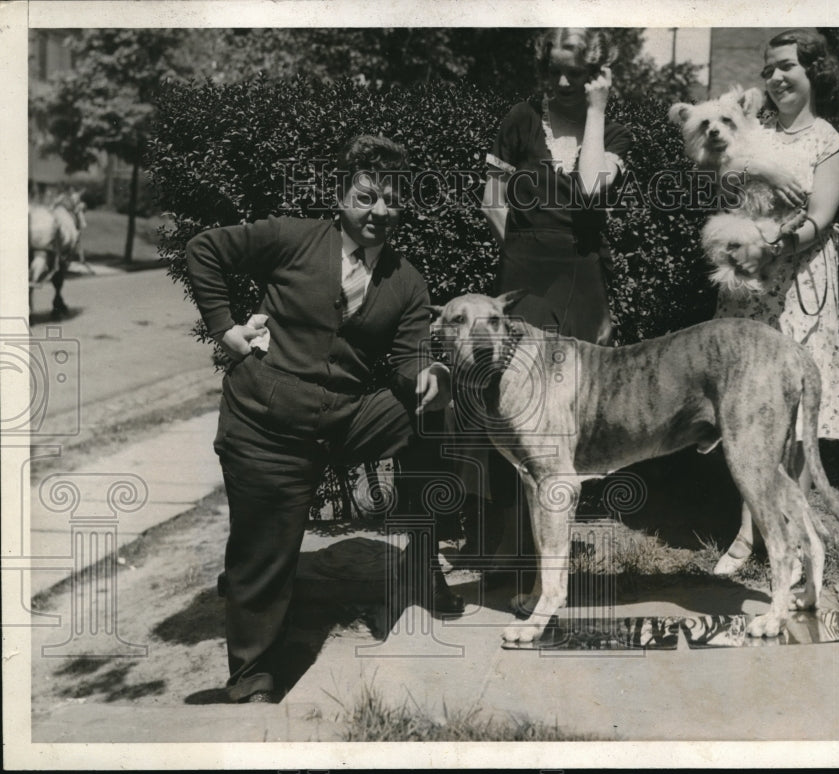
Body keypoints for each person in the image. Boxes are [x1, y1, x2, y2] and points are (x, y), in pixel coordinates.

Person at [186, 135, 464, 704]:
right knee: (262, 560)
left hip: (344, 420)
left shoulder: (406, 280)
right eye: (366, 197)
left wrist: (429, 376)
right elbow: (204, 249)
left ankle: (421, 559)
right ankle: (254, 676)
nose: (379, 211)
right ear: (340, 196)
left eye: (392, 201)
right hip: (265, 426)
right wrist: (224, 328)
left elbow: (409, 357)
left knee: (437, 414)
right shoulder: (293, 237)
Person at [465, 28, 632, 582]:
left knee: (568, 418)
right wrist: (522, 249)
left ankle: (548, 568)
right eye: (553, 70)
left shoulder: (613, 130)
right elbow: (491, 199)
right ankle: (508, 548)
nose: (562, 82)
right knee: (512, 409)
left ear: (598, 73)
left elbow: (590, 189)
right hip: (524, 283)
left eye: (576, 73)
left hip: (583, 281)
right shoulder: (519, 120)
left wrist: (596, 111)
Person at [712, 29, 839, 575]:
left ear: (815, 70)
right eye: (768, 68)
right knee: (747, 409)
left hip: (798, 284)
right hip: (750, 286)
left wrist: (774, 246)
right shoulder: (755, 126)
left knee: (793, 417)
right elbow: (721, 172)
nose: (775, 77)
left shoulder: (829, 144)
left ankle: (791, 538)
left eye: (787, 66)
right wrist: (764, 170)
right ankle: (747, 534)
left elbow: (820, 220)